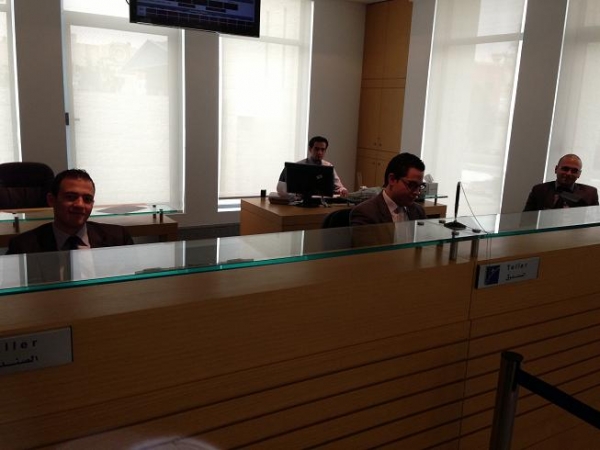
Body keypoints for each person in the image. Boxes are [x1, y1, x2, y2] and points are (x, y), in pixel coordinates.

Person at [6, 169, 134, 254]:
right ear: (51, 200)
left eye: (87, 199)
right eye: (71, 197)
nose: (80, 205)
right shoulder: (23, 246)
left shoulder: (118, 239)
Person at [351, 153, 426, 226]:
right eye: (412, 185)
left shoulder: (418, 211)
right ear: (392, 179)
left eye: (420, 186)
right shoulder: (365, 213)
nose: (417, 192)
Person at [277, 136, 348, 197]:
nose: (319, 152)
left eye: (322, 150)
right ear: (310, 149)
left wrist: (342, 190)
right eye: (316, 149)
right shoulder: (298, 166)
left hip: (322, 202)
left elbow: (338, 186)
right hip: (299, 201)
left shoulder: (328, 166)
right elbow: (281, 188)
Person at [523, 154, 599, 211]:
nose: (569, 173)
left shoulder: (590, 194)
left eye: (574, 171)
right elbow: (526, 220)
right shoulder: (539, 190)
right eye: (565, 169)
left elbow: (594, 221)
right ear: (556, 169)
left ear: (579, 174)